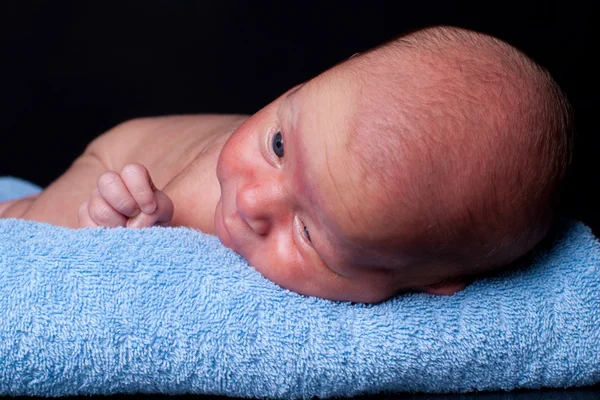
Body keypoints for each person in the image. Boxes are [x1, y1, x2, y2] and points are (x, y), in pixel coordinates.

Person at [0, 26, 573, 303]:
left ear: (436, 285)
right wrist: (130, 223)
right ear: (312, 83)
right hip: (122, 156)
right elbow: (121, 275)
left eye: (306, 232)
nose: (249, 202)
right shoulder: (204, 201)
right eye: (277, 145)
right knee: (30, 226)